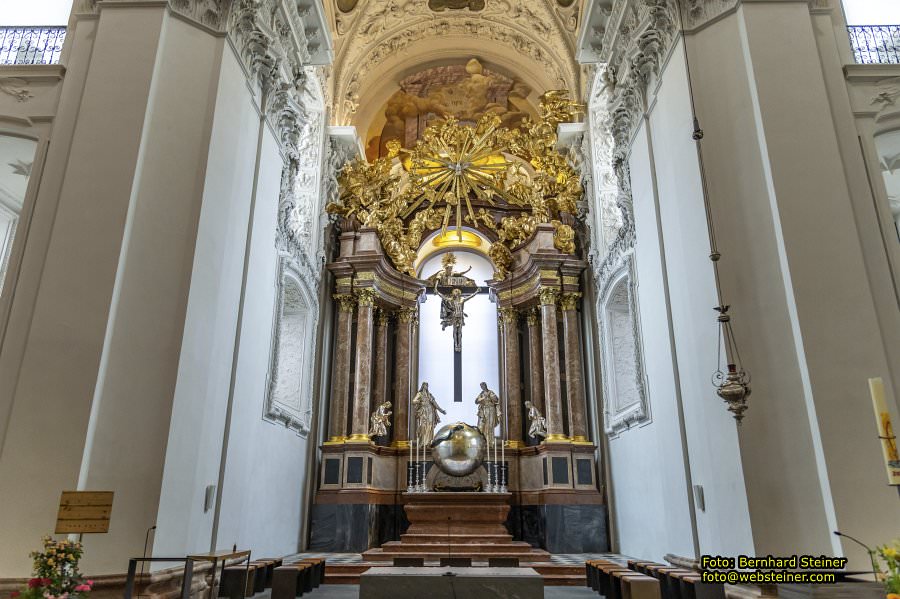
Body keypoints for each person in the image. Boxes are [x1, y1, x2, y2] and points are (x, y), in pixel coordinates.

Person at [475, 382, 501, 446]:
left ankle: (490, 442)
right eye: (481, 386)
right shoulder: (481, 393)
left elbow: (496, 399)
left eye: (483, 386)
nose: (482, 387)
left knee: (490, 426)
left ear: (485, 386)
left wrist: (490, 396)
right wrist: (482, 398)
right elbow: (476, 401)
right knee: (482, 426)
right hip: (484, 411)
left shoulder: (490, 392)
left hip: (491, 410)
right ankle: (484, 441)